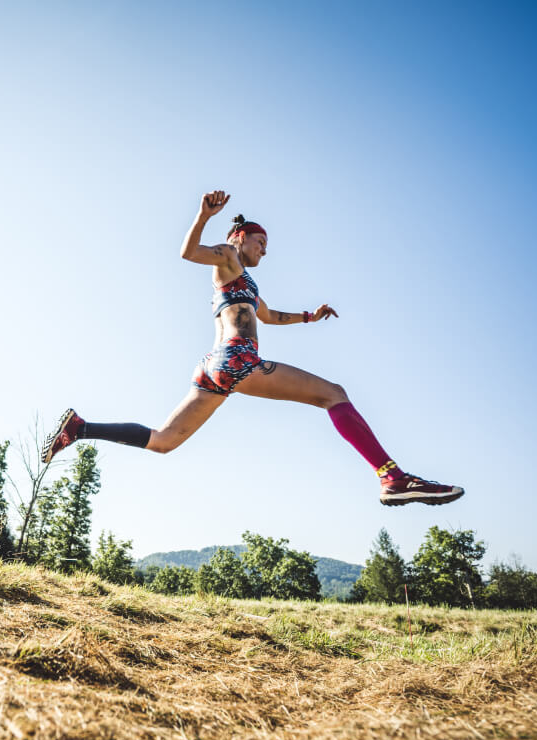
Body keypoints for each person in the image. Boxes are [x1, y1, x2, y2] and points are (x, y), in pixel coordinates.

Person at [42, 190, 463, 506]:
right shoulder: (228, 257)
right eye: (261, 242)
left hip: (213, 368)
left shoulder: (246, 284)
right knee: (334, 394)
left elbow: (270, 315)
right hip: (238, 359)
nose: (265, 250)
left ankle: (80, 428)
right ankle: (392, 477)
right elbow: (189, 252)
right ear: (240, 238)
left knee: (165, 441)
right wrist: (203, 216)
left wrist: (310, 316)